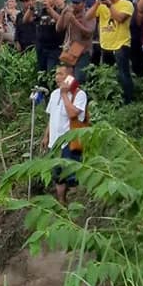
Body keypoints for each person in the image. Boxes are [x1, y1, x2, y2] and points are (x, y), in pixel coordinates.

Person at [41, 65, 88, 207]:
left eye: (61, 74)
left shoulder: (79, 94)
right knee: (57, 175)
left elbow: (73, 114)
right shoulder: (54, 94)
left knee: (71, 175)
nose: (57, 77)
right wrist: (46, 136)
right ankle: (61, 202)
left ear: (69, 77)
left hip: (70, 141)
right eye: (56, 74)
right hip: (54, 143)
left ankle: (75, 205)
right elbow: (52, 117)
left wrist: (64, 95)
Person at [89, 0, 134, 104]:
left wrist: (110, 5)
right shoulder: (102, 5)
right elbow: (87, 17)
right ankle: (111, 100)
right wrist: (97, 2)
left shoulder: (126, 4)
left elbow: (119, 18)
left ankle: (128, 101)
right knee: (107, 74)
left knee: (123, 74)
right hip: (105, 44)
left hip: (121, 44)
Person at [57, 0, 97, 84]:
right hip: (70, 51)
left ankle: (79, 92)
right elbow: (59, 28)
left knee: (79, 77)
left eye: (78, 3)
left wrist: (74, 21)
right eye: (73, 3)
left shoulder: (89, 14)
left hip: (83, 51)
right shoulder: (69, 14)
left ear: (84, 3)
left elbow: (88, 33)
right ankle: (69, 92)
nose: (75, 5)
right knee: (68, 77)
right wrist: (63, 13)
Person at [29, 0, 64, 82]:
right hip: (41, 48)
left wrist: (50, 9)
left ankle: (52, 88)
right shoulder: (40, 12)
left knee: (51, 72)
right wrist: (31, 8)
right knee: (42, 73)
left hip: (55, 48)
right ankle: (42, 89)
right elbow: (26, 20)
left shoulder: (60, 11)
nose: (46, 0)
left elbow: (61, 22)